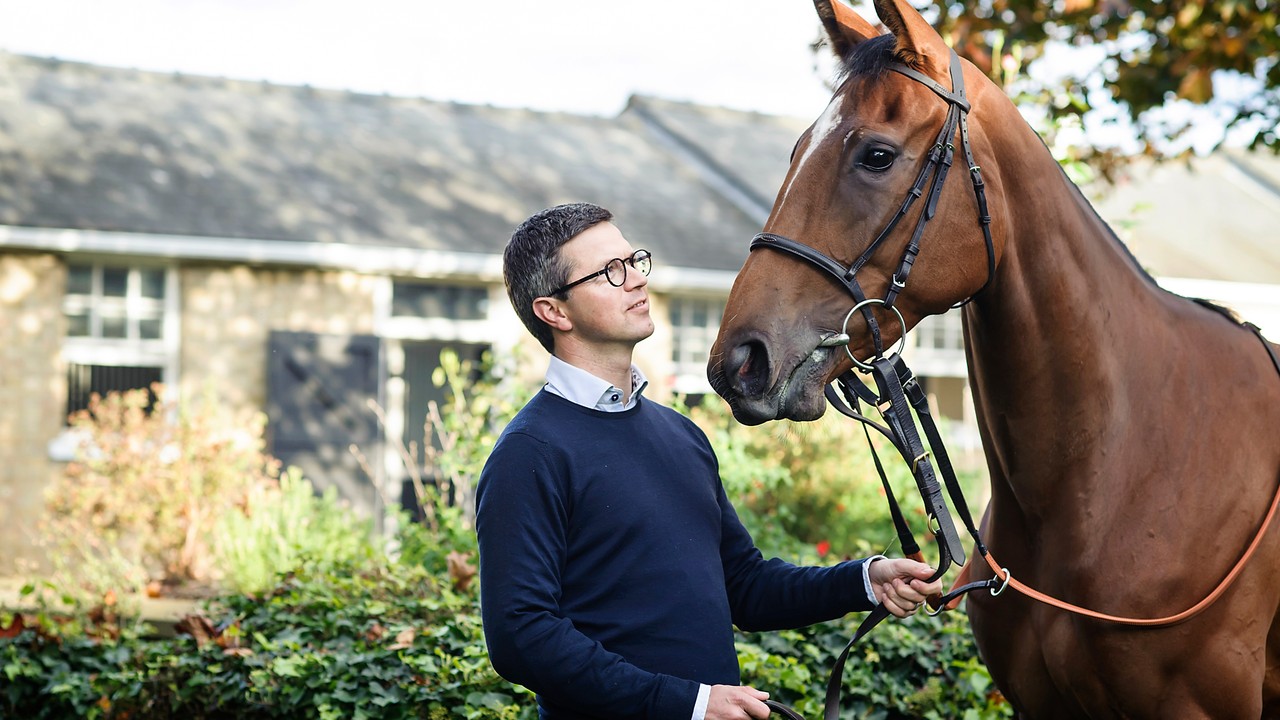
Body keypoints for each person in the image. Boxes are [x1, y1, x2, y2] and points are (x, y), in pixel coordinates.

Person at [476, 202, 943, 720]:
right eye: (610, 272)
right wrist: (686, 704)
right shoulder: (529, 452)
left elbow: (744, 586)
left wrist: (862, 581)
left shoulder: (680, 435)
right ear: (554, 311)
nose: (634, 280)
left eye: (634, 261)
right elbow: (521, 635)